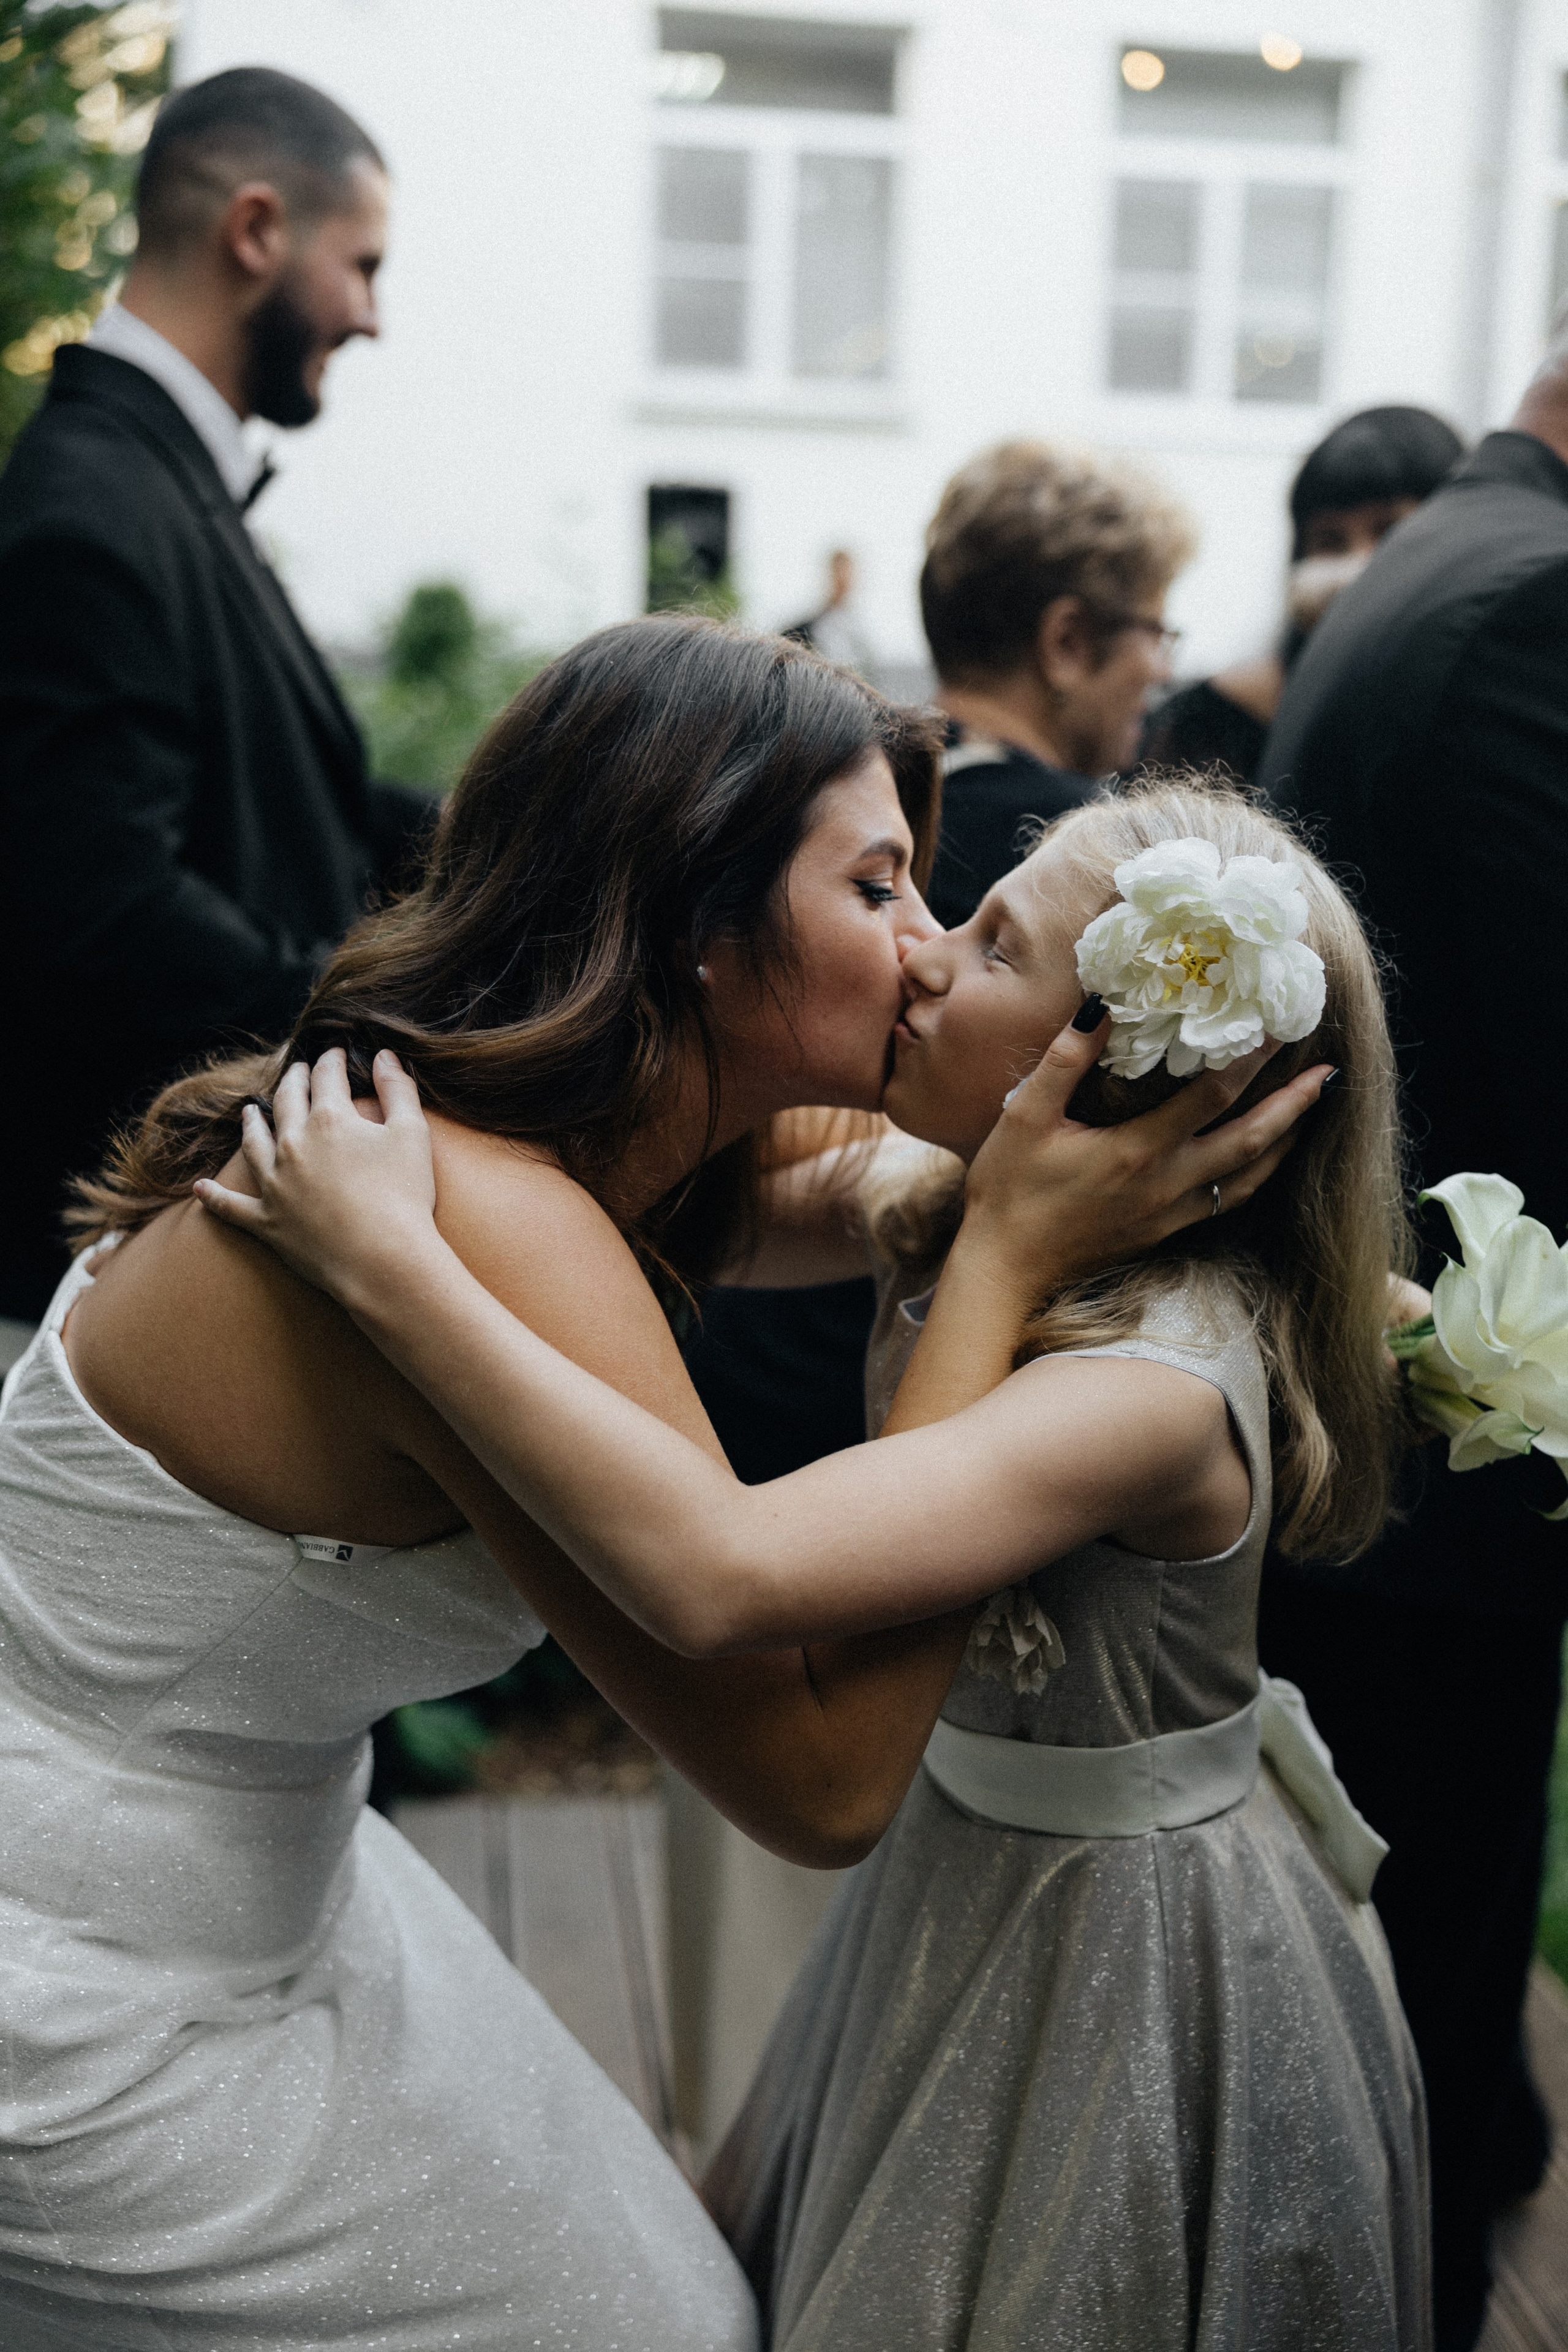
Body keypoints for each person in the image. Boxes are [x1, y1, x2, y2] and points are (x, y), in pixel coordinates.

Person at [0, 620, 1311, 2346]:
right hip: (86, 1964)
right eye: (881, 891)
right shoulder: (487, 1220)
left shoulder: (539, 1123)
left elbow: (857, 1196)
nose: (924, 954)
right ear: (699, 923)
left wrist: (1267, 1233)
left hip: (268, 1865)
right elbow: (822, 1776)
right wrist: (1005, 1254)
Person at [1257, 344, 1568, 2351]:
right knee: (1431, 2012)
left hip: (1374, 1424)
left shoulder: (1427, 562)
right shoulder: (1533, 600)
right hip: (1441, 1450)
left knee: (1405, 1999)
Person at [0, 67, 434, 1333]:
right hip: (90, 1296)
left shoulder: (158, 483)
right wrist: (390, 1021)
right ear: (256, 232)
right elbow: (103, 914)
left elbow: (302, 798)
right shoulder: (88, 511)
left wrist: (548, 835)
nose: (369, 316)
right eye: (361, 265)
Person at [920, 439, 1191, 930]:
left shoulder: (872, 788)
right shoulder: (1078, 847)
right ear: (1067, 643)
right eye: (1155, 633)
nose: (1163, 671)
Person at [1141, 406, 1465, 782]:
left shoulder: (1479, 714)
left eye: (1388, 532)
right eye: (1331, 541)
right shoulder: (1216, 719)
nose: (1358, 567)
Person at [782, 547, 874, 674]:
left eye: (846, 571)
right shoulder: (809, 627)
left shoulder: (859, 630)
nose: (842, 578)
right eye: (838, 571)